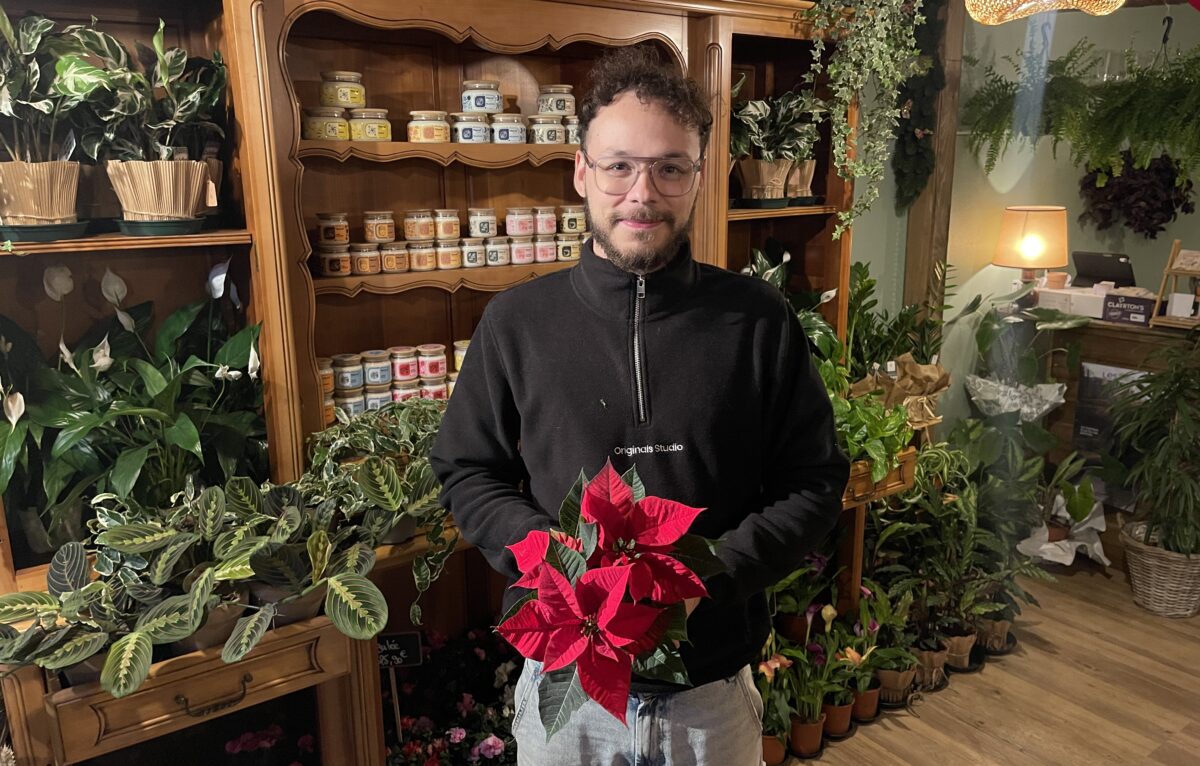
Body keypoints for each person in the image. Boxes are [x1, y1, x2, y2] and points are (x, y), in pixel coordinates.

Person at [430, 45, 849, 765]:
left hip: (709, 699)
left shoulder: (757, 320)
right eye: (619, 165)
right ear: (581, 173)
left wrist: (707, 578)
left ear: (699, 176)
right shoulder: (517, 324)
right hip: (569, 698)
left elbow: (814, 481)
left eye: (669, 167)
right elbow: (469, 471)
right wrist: (557, 564)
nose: (642, 193)